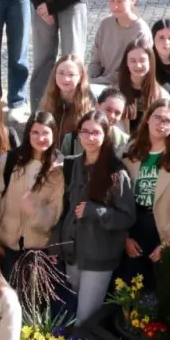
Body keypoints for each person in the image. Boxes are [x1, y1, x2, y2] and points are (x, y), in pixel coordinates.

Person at [55, 112, 136, 323]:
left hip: (99, 258)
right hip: (72, 253)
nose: (90, 137)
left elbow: (127, 217)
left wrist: (95, 211)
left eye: (96, 132)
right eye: (85, 132)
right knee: (68, 315)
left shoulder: (116, 172)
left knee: (84, 320)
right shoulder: (71, 165)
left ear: (105, 135)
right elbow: (62, 210)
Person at [119, 98, 170, 293]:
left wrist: (169, 242)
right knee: (127, 289)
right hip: (133, 225)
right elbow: (114, 196)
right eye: (157, 118)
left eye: (167, 121)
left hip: (165, 227)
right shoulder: (129, 150)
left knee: (156, 289)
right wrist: (123, 237)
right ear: (147, 119)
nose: (161, 124)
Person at [0, 111, 65, 280]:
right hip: (5, 246)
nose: (41, 138)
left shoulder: (59, 169)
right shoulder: (9, 161)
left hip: (37, 249)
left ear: (54, 135)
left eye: (46, 133)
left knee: (28, 302)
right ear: (28, 134)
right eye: (35, 132)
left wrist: (34, 211)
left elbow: (55, 212)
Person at [88, 0, 148, 85]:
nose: (115, 6)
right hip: (100, 82)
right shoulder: (105, 24)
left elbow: (137, 71)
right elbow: (95, 60)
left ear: (132, 0)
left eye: (120, 1)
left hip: (127, 85)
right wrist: (91, 78)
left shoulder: (141, 32)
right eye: (111, 1)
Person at [39, 54, 94, 154]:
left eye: (71, 74)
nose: (65, 79)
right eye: (61, 73)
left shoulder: (89, 106)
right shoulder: (48, 101)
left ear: (80, 76)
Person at [115, 37, 167, 134]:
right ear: (126, 62)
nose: (138, 65)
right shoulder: (115, 92)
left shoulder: (162, 95)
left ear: (150, 62)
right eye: (133, 61)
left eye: (142, 60)